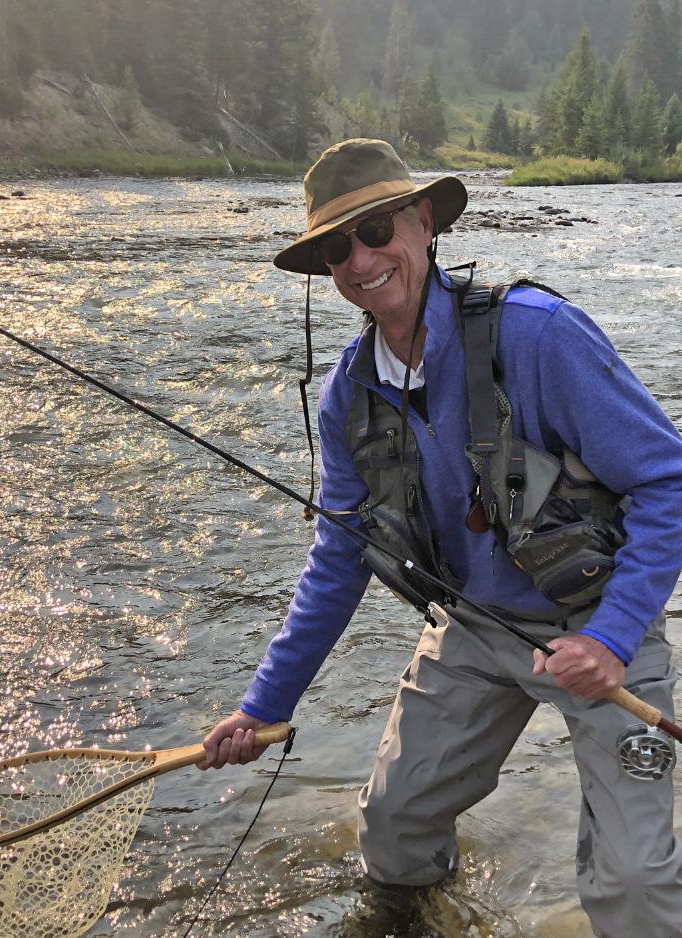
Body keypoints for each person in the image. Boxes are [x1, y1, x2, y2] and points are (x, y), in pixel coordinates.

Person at [198, 138, 682, 937]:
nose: (361, 260)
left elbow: (668, 481)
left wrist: (614, 634)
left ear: (424, 223)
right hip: (475, 627)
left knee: (634, 884)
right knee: (391, 833)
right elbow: (339, 557)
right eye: (336, 248)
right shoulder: (347, 394)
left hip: (598, 624)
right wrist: (262, 707)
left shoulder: (539, 336)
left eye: (376, 230)